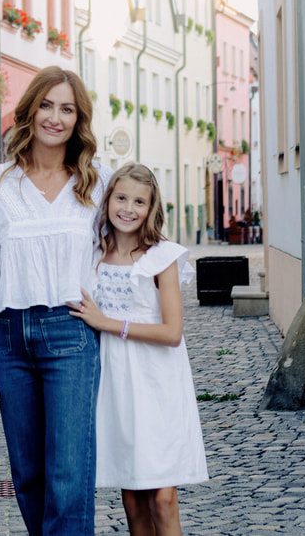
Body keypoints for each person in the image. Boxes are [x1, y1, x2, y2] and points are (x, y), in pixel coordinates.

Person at [0, 65, 112, 535]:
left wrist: (118, 322)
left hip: (70, 332)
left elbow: (122, 257)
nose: (55, 118)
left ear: (78, 119)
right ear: (29, 111)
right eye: (46, 105)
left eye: (67, 108)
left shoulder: (96, 184)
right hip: (7, 339)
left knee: (68, 476)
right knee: (28, 476)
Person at [68, 163, 209, 536]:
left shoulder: (162, 257)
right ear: (108, 200)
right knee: (131, 498)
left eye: (139, 201)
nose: (128, 208)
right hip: (114, 381)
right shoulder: (93, 254)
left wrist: (109, 324)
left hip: (157, 380)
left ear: (151, 208)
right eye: (121, 198)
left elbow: (173, 332)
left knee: (162, 497)